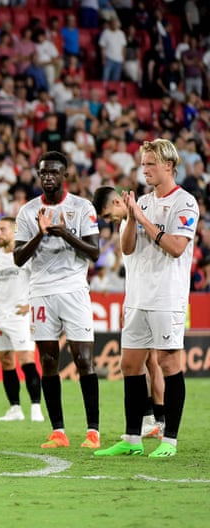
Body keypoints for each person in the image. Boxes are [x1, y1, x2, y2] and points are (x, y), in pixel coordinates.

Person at [93, 138, 197, 458]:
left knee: (167, 362)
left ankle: (170, 441)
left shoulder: (186, 202)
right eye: (143, 164)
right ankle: (132, 438)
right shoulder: (143, 202)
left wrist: (142, 216)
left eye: (150, 164)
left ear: (168, 165)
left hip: (166, 296)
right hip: (137, 296)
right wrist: (132, 218)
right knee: (130, 364)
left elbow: (177, 247)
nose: (145, 169)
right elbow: (127, 247)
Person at [13, 151, 101, 450]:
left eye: (53, 172)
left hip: (75, 290)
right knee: (48, 361)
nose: (47, 176)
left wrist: (63, 232)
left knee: (84, 360)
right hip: (40, 292)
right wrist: (40, 233)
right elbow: (18, 258)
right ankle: (58, 432)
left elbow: (94, 252)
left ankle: (93, 432)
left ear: (65, 174)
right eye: (43, 172)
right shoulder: (28, 211)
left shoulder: (81, 207)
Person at [0, 216, 43, 423]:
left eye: (2, 229)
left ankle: (36, 407)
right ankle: (15, 408)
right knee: (6, 362)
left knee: (27, 359)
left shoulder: (26, 254)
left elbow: (40, 280)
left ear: (14, 231)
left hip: (21, 316)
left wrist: (31, 304)